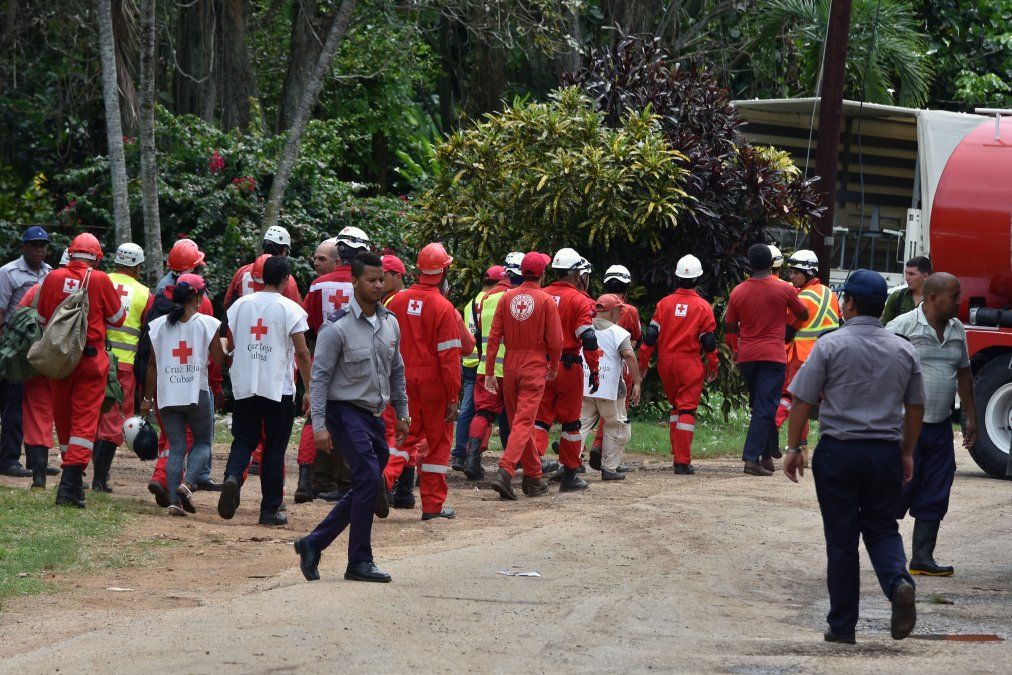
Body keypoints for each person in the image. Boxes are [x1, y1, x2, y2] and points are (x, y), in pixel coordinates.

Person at [784, 268, 922, 644]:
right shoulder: (903, 348)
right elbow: (915, 408)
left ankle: (843, 626)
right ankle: (898, 584)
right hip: (884, 453)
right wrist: (907, 453)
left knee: (842, 538)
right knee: (881, 527)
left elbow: (801, 401)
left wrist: (794, 448)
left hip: (839, 453)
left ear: (849, 304)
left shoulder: (830, 345)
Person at [294, 252, 409, 583]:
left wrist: (402, 411)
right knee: (369, 478)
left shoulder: (390, 323)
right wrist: (318, 425)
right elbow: (319, 380)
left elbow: (397, 371)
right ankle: (359, 561)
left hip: (375, 414)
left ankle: (313, 543)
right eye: (371, 280)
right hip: (343, 411)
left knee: (367, 481)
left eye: (381, 279)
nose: (377, 285)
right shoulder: (337, 327)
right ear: (354, 282)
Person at [886, 272, 976, 577]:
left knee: (937, 489)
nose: (959, 301)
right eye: (954, 296)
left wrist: (971, 417)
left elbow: (964, 374)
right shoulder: (902, 327)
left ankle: (922, 558)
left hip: (939, 428)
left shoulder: (957, 330)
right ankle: (884, 554)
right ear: (933, 297)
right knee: (897, 490)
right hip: (904, 426)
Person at [218, 256, 311, 526]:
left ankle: (233, 476)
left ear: (259, 278)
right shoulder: (290, 309)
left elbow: (230, 341)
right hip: (277, 387)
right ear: (286, 279)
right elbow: (303, 352)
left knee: (244, 439)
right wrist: (309, 389)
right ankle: (269, 510)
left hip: (246, 383)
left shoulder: (240, 305)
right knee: (273, 448)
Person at [36, 233, 126, 507]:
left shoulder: (52, 278)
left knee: (63, 418)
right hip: (89, 360)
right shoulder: (99, 279)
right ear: (97, 257)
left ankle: (72, 483)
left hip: (60, 360)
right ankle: (68, 484)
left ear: (70, 252)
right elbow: (117, 318)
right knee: (84, 422)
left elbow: (41, 318)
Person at [382, 243, 462, 520]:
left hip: (400, 379)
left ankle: (384, 477)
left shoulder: (396, 301)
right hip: (434, 383)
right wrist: (453, 397)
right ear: (443, 272)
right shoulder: (445, 308)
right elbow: (450, 357)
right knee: (438, 443)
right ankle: (432, 506)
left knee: (404, 435)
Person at [144, 239, 223, 503]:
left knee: (175, 446)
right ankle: (187, 485)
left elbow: (152, 364)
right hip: (196, 391)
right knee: (202, 442)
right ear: (198, 297)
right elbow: (217, 361)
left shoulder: (158, 323)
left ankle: (175, 503)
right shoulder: (207, 321)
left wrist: (146, 398)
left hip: (166, 394)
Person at [725, 244, 808, 476]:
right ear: (772, 264)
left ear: (749, 264)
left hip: (748, 356)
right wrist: (787, 326)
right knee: (765, 406)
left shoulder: (738, 291)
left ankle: (768, 455)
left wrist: (735, 348)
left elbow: (730, 326)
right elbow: (803, 314)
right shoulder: (785, 289)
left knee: (761, 405)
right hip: (773, 355)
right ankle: (752, 458)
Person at [484, 252, 562, 500]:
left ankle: (534, 478)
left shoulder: (506, 298)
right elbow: (557, 341)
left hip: (510, 365)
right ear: (542, 274)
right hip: (534, 363)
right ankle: (505, 470)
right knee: (524, 422)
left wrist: (489, 372)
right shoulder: (546, 300)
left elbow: (494, 337)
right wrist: (554, 365)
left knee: (521, 422)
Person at [301, 226, 370, 503]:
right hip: (357, 359)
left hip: (324, 357)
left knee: (320, 416)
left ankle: (316, 481)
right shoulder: (366, 281)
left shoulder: (319, 285)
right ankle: (345, 481)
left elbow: (309, 325)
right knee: (354, 417)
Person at [638, 255, 718, 474]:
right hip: (689, 362)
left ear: (677, 277)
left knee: (676, 408)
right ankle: (682, 461)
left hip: (666, 363)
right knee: (687, 410)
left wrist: (643, 362)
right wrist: (713, 364)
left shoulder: (664, 304)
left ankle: (677, 455)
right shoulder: (702, 307)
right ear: (698, 279)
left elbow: (651, 335)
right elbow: (708, 341)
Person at [535, 247, 601, 491]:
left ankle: (533, 469)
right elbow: (589, 339)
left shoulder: (540, 294)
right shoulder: (579, 300)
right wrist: (594, 370)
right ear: (575, 274)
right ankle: (570, 475)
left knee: (540, 421)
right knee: (571, 424)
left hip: (541, 366)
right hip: (569, 366)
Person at [91, 243, 152, 492]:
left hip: (93, 359)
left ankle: (85, 472)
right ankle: (99, 479)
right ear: (138, 267)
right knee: (114, 422)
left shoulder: (98, 280)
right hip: (123, 366)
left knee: (90, 417)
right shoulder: (144, 293)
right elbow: (148, 334)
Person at [774, 249, 840, 467]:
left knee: (791, 399)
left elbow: (788, 330)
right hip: (829, 359)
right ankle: (811, 448)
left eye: (795, 272)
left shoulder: (801, 297)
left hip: (801, 358)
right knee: (825, 404)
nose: (791, 276)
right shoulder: (830, 293)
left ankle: (769, 432)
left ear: (808, 273)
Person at [460, 253, 521, 480]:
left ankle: (472, 457)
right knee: (519, 418)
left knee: (484, 413)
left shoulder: (486, 298)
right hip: (514, 368)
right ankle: (516, 462)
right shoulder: (518, 297)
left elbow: (478, 335)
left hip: (486, 367)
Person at [0, 225, 52, 477]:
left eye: (42, 246)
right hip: (16, 350)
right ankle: (9, 459)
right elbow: (1, 312)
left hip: (40, 351)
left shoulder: (50, 274)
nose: (39, 250)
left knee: (37, 406)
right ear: (23, 247)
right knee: (13, 406)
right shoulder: (8, 272)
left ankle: (36, 459)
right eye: (34, 245)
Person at [579, 294, 640, 480]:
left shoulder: (584, 328)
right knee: (616, 426)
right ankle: (609, 468)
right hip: (610, 388)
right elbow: (629, 355)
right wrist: (637, 381)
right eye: (620, 310)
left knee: (580, 425)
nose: (621, 313)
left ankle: (569, 464)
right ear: (613, 311)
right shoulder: (618, 333)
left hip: (585, 385)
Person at [451, 266, 504, 472]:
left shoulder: (470, 304)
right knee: (493, 411)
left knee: (468, 410)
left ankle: (459, 453)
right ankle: (510, 453)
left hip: (471, 362)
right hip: (491, 365)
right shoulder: (496, 300)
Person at [588, 265, 642, 464]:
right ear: (627, 287)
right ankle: (608, 458)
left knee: (584, 413)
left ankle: (572, 457)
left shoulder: (591, 307)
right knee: (616, 414)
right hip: (620, 368)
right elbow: (636, 339)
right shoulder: (630, 311)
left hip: (590, 365)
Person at [223, 225, 302, 307]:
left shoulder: (242, 271)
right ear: (285, 250)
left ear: (264, 246)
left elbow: (227, 302)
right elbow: (296, 310)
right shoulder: (285, 278)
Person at [881, 256, 932, 324]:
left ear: (925, 276)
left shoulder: (936, 299)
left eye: (911, 274)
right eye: (906, 273)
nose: (907, 278)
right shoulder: (897, 296)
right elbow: (884, 325)